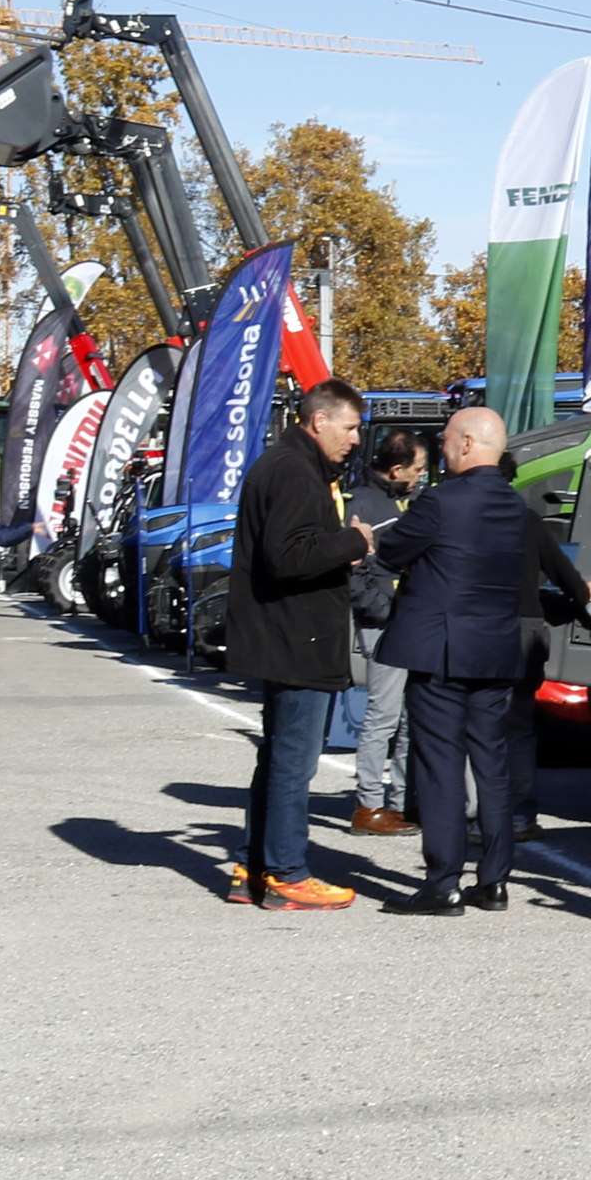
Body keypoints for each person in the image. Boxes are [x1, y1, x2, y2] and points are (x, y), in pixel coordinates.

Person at [376, 405, 589, 915]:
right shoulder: (520, 512)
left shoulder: (440, 503)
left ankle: (442, 881)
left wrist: (370, 540)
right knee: (492, 763)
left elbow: (391, 553)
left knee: (440, 765)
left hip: (443, 652)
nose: (442, 448)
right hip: (497, 651)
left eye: (448, 439)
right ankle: (494, 878)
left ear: (469, 444)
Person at [223, 382, 378, 910]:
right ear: (319, 422)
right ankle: (287, 871)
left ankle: (254, 867)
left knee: (277, 757)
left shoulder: (287, 464)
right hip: (296, 637)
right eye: (350, 427)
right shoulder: (293, 470)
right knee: (294, 759)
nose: (356, 439)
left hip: (284, 634)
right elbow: (289, 556)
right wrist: (356, 542)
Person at [339, 421, 423, 837]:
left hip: (398, 621)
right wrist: (381, 609)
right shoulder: (368, 504)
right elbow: (358, 571)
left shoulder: (387, 501)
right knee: (385, 715)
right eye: (417, 468)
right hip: (385, 624)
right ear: (396, 469)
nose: (421, 476)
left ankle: (398, 802)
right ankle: (370, 804)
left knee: (405, 716)